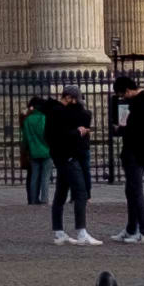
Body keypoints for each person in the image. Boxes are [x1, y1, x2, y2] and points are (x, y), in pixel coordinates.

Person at [43, 90, 98, 246]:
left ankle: (59, 232)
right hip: (67, 156)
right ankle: (81, 232)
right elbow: (61, 134)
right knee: (81, 193)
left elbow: (51, 135)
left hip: (60, 156)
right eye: (76, 99)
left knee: (60, 193)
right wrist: (78, 132)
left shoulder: (53, 111)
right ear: (68, 98)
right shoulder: (60, 112)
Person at [114, 79, 144, 242]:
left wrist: (123, 128)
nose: (122, 97)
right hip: (141, 150)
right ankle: (131, 228)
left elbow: (136, 130)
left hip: (136, 151)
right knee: (131, 190)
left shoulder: (141, 104)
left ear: (127, 90)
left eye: (122, 94)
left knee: (136, 191)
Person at [19, 95, 52, 209]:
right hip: (46, 151)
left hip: (33, 151)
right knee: (45, 177)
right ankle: (44, 199)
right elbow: (47, 135)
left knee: (34, 176)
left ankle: (33, 199)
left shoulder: (27, 120)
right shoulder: (44, 117)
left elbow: (26, 138)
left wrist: (27, 149)